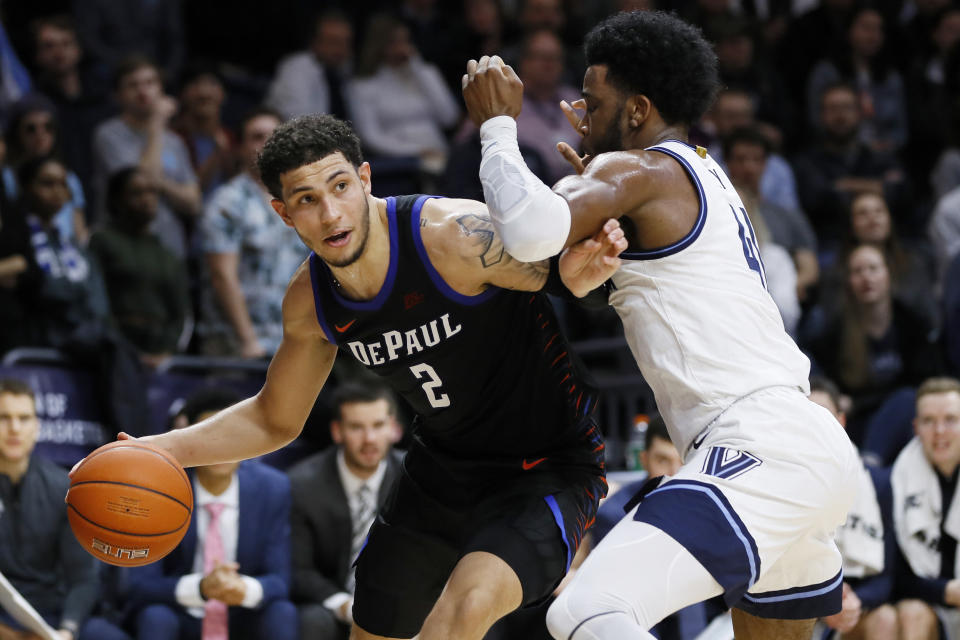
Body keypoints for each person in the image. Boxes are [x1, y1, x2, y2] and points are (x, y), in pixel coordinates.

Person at [90, 112, 626, 640]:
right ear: (283, 214)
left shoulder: (452, 236)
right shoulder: (310, 302)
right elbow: (274, 418)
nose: (329, 213)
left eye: (340, 186)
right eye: (306, 199)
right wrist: (159, 451)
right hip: (444, 468)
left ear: (365, 179)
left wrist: (585, 269)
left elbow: (580, 267)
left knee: (461, 614)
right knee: (374, 626)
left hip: (548, 465)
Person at [461, 10, 859, 639]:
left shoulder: (639, 170)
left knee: (583, 613)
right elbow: (621, 281)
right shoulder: (703, 172)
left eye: (592, 102)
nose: (580, 115)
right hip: (800, 440)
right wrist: (592, 213)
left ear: (638, 109)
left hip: (758, 441)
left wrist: (497, 127)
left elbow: (531, 229)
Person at [126, 387, 297, 640]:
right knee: (155, 617)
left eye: (233, 435)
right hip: (182, 611)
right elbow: (139, 585)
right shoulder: (161, 490)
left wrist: (241, 589)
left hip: (241, 613)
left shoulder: (272, 489)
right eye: (211, 435)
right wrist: (202, 587)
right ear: (190, 437)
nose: (222, 447)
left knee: (282, 612)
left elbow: (280, 581)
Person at [0, 378, 129, 640]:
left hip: (52, 615)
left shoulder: (64, 488)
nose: (14, 428)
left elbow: (83, 578)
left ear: (36, 427)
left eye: (24, 418)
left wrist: (66, 630)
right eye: (3, 417)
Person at [287, 381, 404, 640]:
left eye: (378, 425)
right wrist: (342, 604)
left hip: (400, 601)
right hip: (332, 603)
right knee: (311, 622)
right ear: (337, 431)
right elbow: (299, 569)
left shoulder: (416, 479)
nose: (369, 439)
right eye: (356, 427)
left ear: (394, 429)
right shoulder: (302, 485)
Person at [198, 107, 305, 359]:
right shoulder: (227, 202)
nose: (268, 143)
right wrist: (248, 342)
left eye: (276, 135)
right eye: (257, 137)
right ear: (241, 147)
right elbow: (221, 276)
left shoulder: (302, 198)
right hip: (239, 344)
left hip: (295, 340)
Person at [808, 376, 899, 640]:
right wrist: (823, 601)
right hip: (798, 601)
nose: (814, 426)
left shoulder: (877, 482)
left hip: (852, 602)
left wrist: (854, 600)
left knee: (886, 618)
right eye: (805, 417)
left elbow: (887, 575)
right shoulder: (774, 480)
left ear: (841, 421)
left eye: (822, 416)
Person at [91, 55, 201, 258]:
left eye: (150, 83)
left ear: (161, 89)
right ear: (118, 95)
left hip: (170, 250)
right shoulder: (108, 135)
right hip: (124, 250)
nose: (143, 91)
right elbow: (140, 184)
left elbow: (193, 203)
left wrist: (161, 183)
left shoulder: (175, 142)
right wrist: (157, 124)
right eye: (133, 85)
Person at [88, 167, 190, 364]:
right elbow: (97, 301)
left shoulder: (166, 253)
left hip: (161, 352)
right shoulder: (103, 241)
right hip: (116, 349)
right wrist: (124, 349)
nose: (147, 199)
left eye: (152, 192)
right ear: (117, 199)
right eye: (137, 193)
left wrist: (167, 352)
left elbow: (180, 313)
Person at [890, 378, 960, 639]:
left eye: (951, 419)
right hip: (929, 601)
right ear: (916, 427)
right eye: (929, 421)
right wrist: (946, 591)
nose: (939, 431)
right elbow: (893, 577)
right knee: (911, 613)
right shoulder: (895, 480)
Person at [266, 10, 354, 121]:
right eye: (334, 42)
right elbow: (299, 120)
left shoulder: (342, 72)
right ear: (315, 42)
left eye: (346, 42)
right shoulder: (296, 68)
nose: (341, 50)